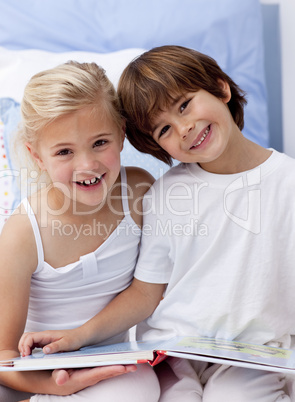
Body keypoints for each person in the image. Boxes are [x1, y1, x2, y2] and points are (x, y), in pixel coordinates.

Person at [18, 46, 295, 401]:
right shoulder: (166, 193)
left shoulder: (287, 184)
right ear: (155, 146)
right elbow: (146, 293)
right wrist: (79, 335)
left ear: (221, 88)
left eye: (184, 105)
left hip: (254, 356)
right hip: (173, 355)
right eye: (165, 129)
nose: (185, 128)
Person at [0, 61, 160, 401]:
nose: (87, 165)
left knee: (138, 389)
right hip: (33, 374)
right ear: (37, 157)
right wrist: (51, 385)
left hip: (108, 368)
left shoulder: (139, 192)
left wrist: (78, 337)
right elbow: (0, 359)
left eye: (100, 143)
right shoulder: (25, 231)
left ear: (122, 133)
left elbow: (146, 293)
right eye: (64, 151)